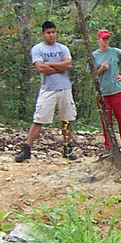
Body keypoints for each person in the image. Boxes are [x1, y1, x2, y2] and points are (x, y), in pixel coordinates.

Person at [15, 21, 77, 162]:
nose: (51, 35)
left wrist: (49, 64)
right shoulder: (38, 49)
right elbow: (40, 68)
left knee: (66, 119)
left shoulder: (63, 48)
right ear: (43, 34)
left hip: (64, 87)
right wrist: (58, 66)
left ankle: (68, 148)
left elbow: (68, 64)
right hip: (48, 89)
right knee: (39, 119)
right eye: (48, 32)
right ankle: (27, 149)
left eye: (53, 32)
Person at [90, 29, 121, 153]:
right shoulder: (94, 55)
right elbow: (91, 75)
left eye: (107, 39)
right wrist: (101, 69)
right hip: (103, 93)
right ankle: (109, 146)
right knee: (106, 121)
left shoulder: (115, 52)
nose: (105, 41)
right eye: (103, 39)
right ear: (98, 39)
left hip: (117, 91)